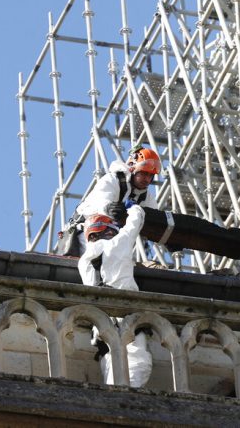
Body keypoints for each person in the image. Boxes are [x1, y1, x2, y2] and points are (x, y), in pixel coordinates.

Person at [77, 206, 152, 387]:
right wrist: (131, 207)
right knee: (139, 363)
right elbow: (137, 219)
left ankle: (113, 397)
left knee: (110, 365)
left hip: (101, 324)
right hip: (125, 316)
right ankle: (127, 400)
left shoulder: (84, 261)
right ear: (110, 231)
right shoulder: (119, 243)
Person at [74, 145, 160, 252]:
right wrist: (109, 209)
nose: (147, 179)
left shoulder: (146, 197)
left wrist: (169, 238)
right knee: (105, 223)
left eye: (150, 175)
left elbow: (156, 222)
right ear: (133, 168)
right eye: (143, 173)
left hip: (112, 245)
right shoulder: (112, 180)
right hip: (86, 235)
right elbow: (102, 203)